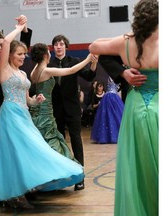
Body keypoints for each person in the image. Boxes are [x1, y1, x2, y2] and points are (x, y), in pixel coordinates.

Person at [0, 15, 84, 209]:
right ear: (11, 55)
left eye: (24, 54)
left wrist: (35, 100)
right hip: (10, 115)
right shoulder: (4, 69)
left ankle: (23, 189)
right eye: (19, 54)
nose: (23, 57)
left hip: (23, 114)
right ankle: (14, 194)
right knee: (15, 153)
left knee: (30, 150)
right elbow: (6, 42)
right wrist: (19, 27)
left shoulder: (22, 73)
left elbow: (27, 99)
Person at [89, 0, 158, 215]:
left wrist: (123, 71)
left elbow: (93, 46)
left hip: (136, 106)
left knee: (137, 164)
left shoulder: (126, 43)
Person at [49, 34, 98, 190]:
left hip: (72, 107)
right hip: (56, 108)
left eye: (61, 44)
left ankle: (79, 175)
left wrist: (93, 64)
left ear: (66, 46)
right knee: (59, 140)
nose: (58, 46)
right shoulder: (49, 63)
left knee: (76, 139)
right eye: (56, 44)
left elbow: (89, 76)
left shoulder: (74, 61)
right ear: (53, 47)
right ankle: (61, 174)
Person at [29, 43, 92, 159]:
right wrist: (87, 59)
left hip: (38, 110)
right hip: (46, 112)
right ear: (45, 56)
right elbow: (71, 70)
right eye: (48, 51)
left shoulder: (34, 72)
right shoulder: (46, 71)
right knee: (53, 142)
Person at [90, 77, 124, 144]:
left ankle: (110, 136)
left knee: (112, 115)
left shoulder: (117, 76)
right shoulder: (115, 76)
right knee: (111, 115)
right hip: (112, 97)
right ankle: (111, 136)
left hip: (111, 96)